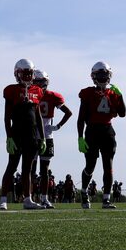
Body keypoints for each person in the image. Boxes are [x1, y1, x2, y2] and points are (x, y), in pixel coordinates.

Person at [77, 61, 126, 210]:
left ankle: (106, 199)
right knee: (90, 166)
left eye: (105, 75)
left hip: (107, 130)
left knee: (108, 166)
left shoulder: (113, 93)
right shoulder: (88, 93)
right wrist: (80, 137)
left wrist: (121, 96)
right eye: (100, 75)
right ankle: (84, 192)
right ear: (93, 76)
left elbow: (123, 113)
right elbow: (81, 118)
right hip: (92, 131)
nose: (103, 78)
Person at [0, 59, 45, 211]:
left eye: (30, 73)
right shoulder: (11, 90)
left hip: (31, 135)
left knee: (28, 169)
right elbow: (7, 117)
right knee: (11, 166)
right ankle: (3, 199)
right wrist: (9, 136)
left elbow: (38, 117)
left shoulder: (37, 90)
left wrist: (42, 137)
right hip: (17, 133)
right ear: (17, 73)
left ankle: (28, 199)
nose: (27, 76)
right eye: (25, 73)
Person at [34, 69, 72, 209]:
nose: (38, 84)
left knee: (44, 170)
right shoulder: (31, 95)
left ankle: (43, 198)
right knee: (32, 170)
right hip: (35, 135)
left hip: (45, 136)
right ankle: (30, 199)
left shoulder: (53, 96)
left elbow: (68, 112)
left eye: (41, 81)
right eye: (36, 81)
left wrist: (57, 126)